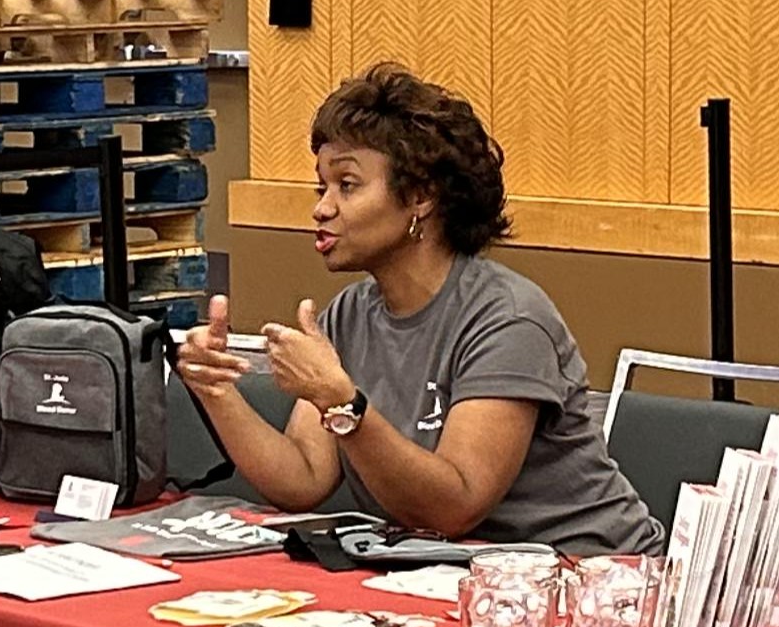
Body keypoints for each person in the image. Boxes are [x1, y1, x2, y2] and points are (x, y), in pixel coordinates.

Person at [180, 64, 662, 556]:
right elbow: (304, 476)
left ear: (420, 196)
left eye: (347, 185)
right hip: (449, 575)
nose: (322, 208)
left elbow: (456, 505)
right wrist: (216, 392)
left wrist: (343, 403)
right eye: (320, 188)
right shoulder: (348, 315)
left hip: (586, 575)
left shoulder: (507, 320)